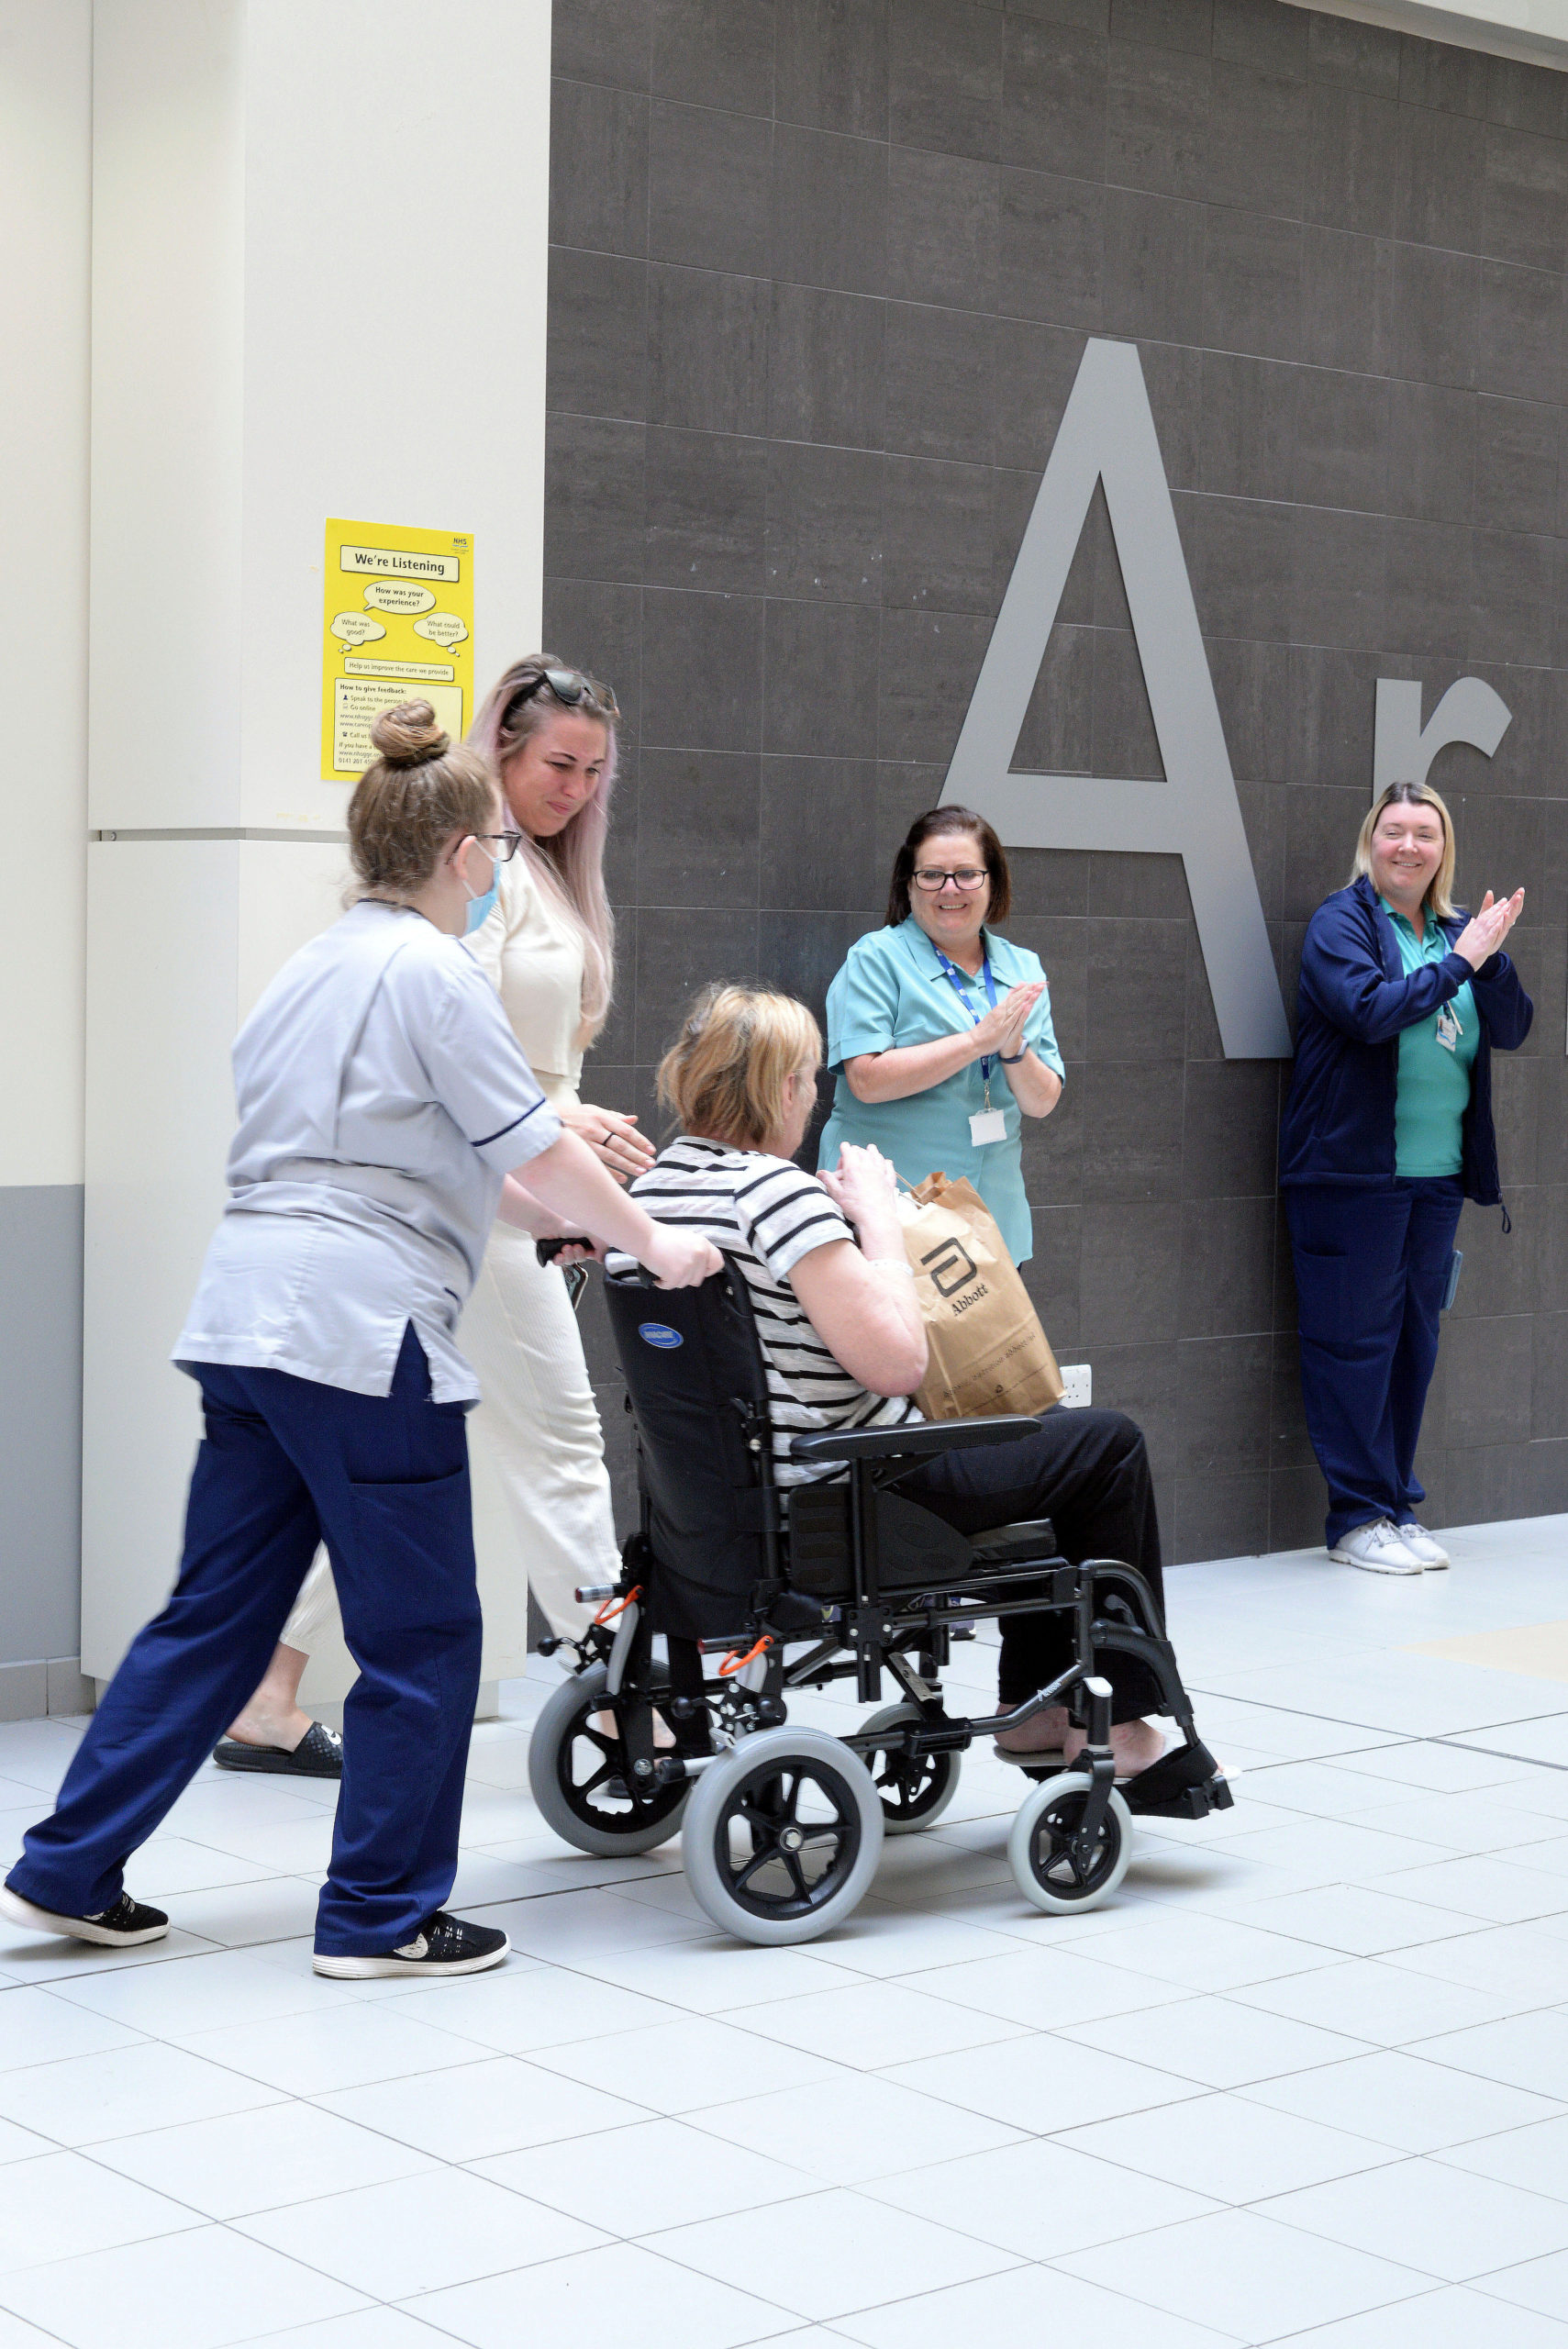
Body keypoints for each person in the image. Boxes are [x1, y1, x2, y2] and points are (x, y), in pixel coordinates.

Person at [0, 704, 717, 1976]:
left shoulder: (313, 965)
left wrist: (554, 1225)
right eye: (495, 847)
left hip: (247, 1321)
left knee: (210, 1615)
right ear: (455, 853)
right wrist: (649, 1243)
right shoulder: (438, 974)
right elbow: (537, 1143)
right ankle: (380, 1916)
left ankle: (66, 1865)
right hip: (362, 1335)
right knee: (427, 1633)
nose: (501, 868)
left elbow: (421, 1160)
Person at [217, 656, 640, 1775]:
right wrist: (562, 1135)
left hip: (507, 1177)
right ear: (500, 743)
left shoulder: (538, 870)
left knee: (372, 1461)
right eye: (559, 762)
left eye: (594, 771)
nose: (576, 788)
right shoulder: (478, 869)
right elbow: (461, 1037)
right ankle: (620, 1709)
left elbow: (522, 1055)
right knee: (561, 1444)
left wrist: (573, 1116)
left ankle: (264, 1690)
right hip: (491, 1188)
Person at [628, 982, 1194, 1783]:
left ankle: (1040, 1704)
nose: (814, 1095)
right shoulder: (775, 1193)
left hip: (712, 1504)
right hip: (849, 1491)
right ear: (782, 1087)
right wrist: (877, 1224)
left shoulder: (653, 1190)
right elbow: (898, 1363)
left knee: (1052, 1444)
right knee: (1103, 1443)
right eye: (811, 1078)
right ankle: (1113, 1719)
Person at [1279, 780, 1530, 1576]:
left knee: (1409, 1344)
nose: (1409, 846)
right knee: (1351, 1345)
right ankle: (1354, 1518)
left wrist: (1481, 960)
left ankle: (1393, 1505)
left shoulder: (1455, 929)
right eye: (1395, 831)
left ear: (1442, 849)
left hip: (1435, 1177)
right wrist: (1462, 961)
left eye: (1426, 833)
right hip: (1350, 1176)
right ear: (1371, 841)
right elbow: (1367, 1010)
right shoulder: (1340, 922)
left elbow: (1516, 1025)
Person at [819, 806, 1063, 1265]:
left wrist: (1013, 1049)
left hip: (993, 1216)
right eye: (932, 875)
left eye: (967, 874)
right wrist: (977, 1042)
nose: (950, 889)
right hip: (891, 1215)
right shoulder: (875, 959)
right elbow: (866, 1081)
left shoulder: (1022, 968)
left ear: (993, 883)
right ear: (908, 885)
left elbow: (1041, 1101)